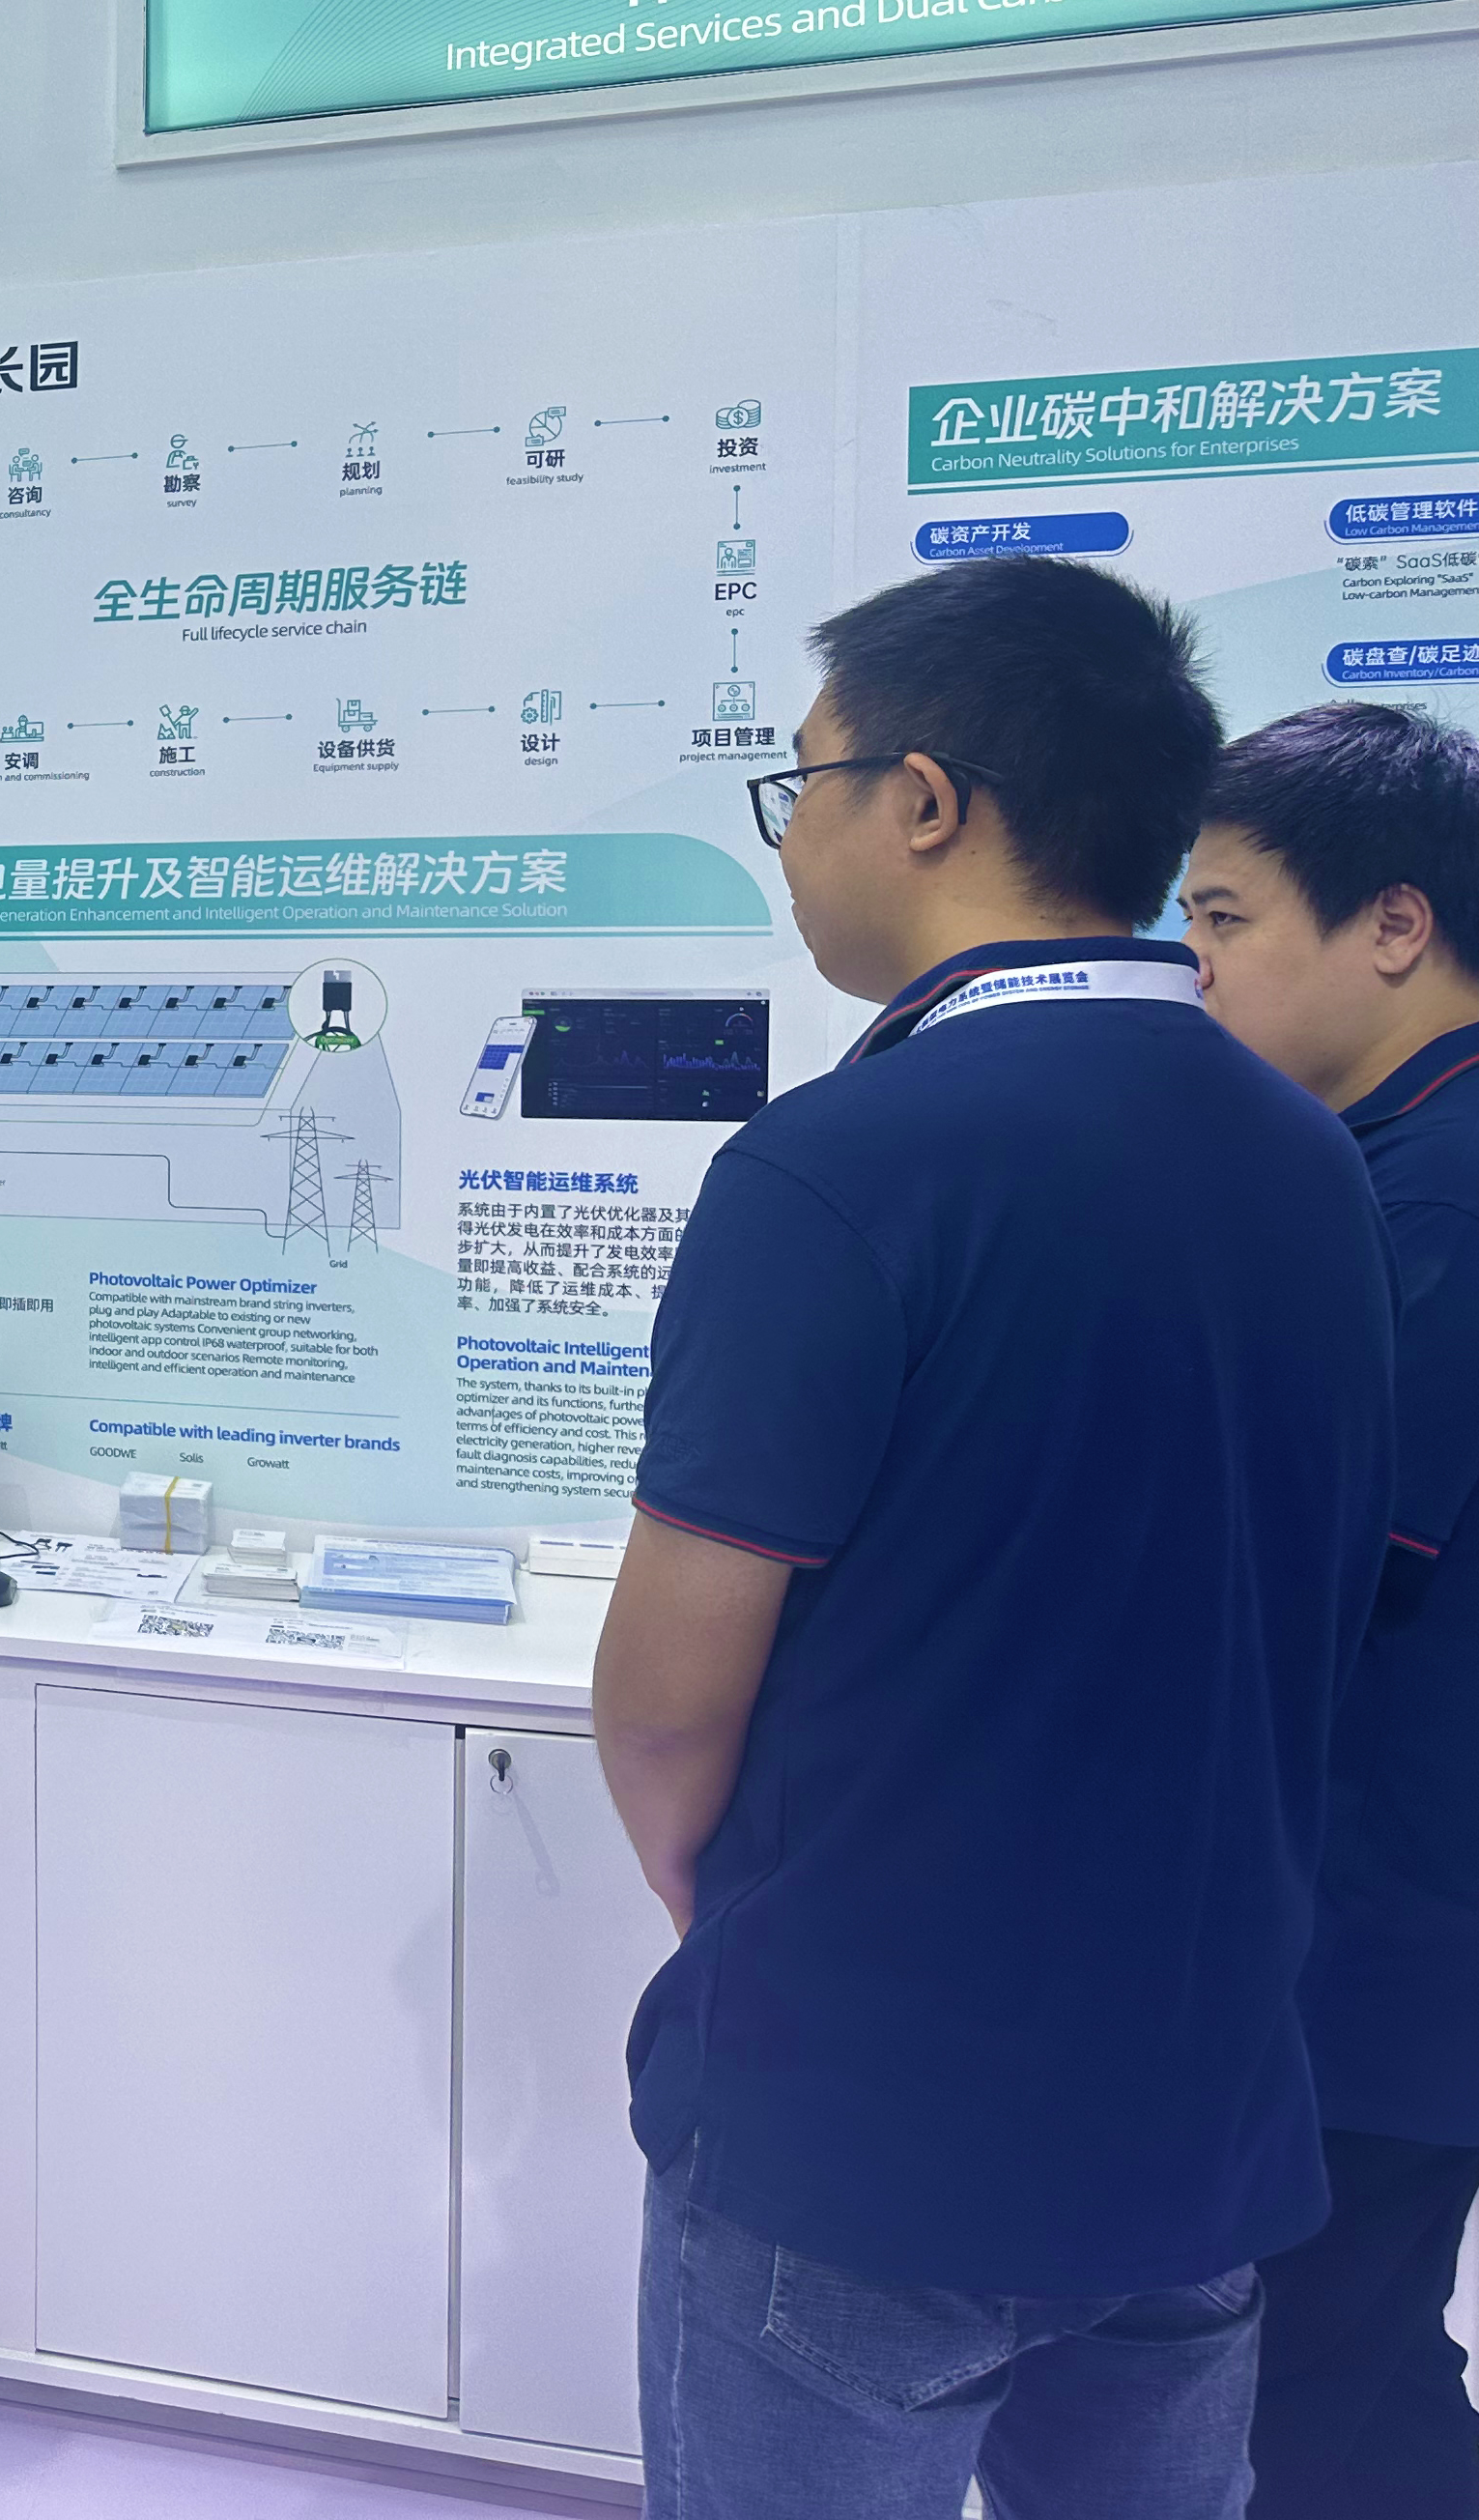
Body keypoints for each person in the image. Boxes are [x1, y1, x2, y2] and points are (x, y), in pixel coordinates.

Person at [594, 557, 1395, 2520]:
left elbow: (670, 1701)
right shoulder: (1312, 1156)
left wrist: (740, 1908)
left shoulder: (839, 1164)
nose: (793, 842)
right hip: (1192, 2104)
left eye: (803, 786)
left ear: (926, 801)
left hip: (863, 2125)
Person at [1182, 701, 1479, 2517]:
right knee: (1367, 2372)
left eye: (1223, 917)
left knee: (1289, 2404)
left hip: (1384, 1937)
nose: (1196, 966)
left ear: (1393, 922)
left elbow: (1331, 1564)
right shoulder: (1385, 1161)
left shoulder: (1429, 1190)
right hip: (1397, 1926)